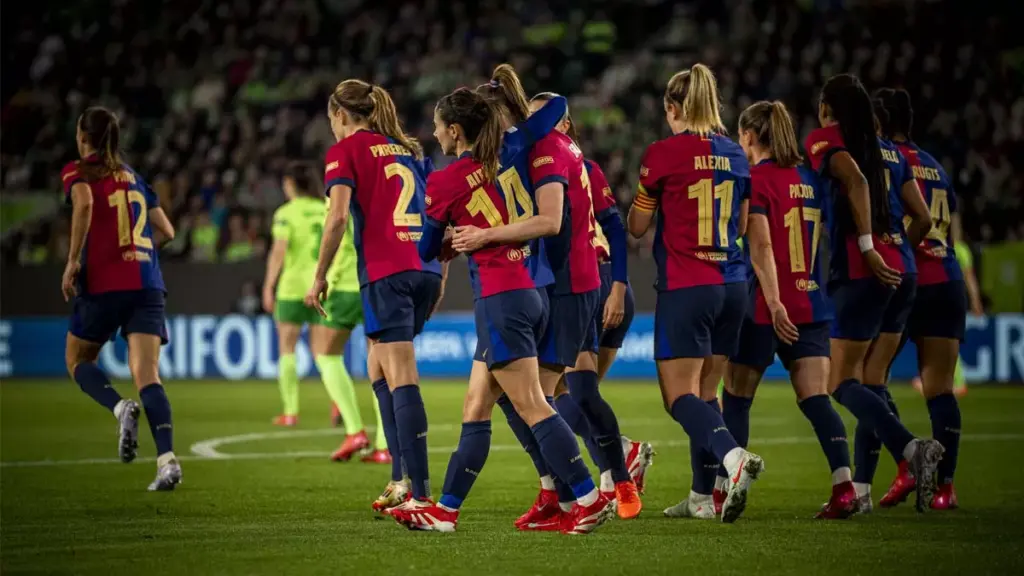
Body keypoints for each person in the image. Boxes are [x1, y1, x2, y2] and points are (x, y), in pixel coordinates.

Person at [389, 87, 614, 534]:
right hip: (529, 286)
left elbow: (429, 247)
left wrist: (450, 231)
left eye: (438, 126)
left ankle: (588, 498)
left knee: (533, 404)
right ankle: (446, 511)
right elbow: (555, 107)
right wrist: (502, 91)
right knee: (476, 406)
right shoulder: (512, 150)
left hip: (500, 296)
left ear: (455, 131)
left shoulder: (446, 179)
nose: (434, 134)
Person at [454, 64, 643, 523]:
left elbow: (580, 223)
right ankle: (577, 485)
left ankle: (596, 485)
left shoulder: (542, 150)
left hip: (572, 285)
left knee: (548, 398)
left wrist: (486, 236)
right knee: (549, 396)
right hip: (549, 285)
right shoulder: (523, 151)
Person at [626, 63, 764, 523]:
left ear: (672, 107)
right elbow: (742, 225)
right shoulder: (736, 154)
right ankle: (702, 497)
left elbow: (638, 226)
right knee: (707, 394)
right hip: (733, 285)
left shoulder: (663, 154)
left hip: (688, 285)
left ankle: (732, 457)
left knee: (678, 397)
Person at [804, 73, 944, 513]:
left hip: (860, 271)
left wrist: (868, 246)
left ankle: (910, 448)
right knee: (873, 380)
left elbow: (858, 182)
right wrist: (893, 245)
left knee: (839, 382)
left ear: (829, 108)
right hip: (902, 270)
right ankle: (863, 490)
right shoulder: (891, 150)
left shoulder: (826, 140)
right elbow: (922, 219)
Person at [306, 80, 446, 513]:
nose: (332, 128)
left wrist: (319, 277)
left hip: (387, 272)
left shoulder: (345, 152)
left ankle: (420, 493)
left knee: (401, 374)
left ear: (342, 115)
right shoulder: (408, 151)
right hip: (424, 268)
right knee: (377, 366)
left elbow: (336, 219)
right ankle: (399, 478)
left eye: (332, 119)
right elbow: (438, 212)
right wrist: (439, 275)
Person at [719, 100, 858, 519]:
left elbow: (760, 245)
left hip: (765, 303)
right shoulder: (810, 178)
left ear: (748, 136)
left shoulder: (756, 178)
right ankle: (845, 487)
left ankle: (727, 489)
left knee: (737, 399)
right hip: (810, 301)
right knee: (816, 399)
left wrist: (775, 303)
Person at [529, 92, 654, 496]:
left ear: (564, 124)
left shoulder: (576, 167)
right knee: (578, 393)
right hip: (597, 288)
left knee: (563, 392)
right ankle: (614, 467)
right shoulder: (551, 166)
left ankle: (612, 463)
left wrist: (617, 285)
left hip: (594, 285)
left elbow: (614, 229)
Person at [60, 106, 180, 491]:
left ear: (83, 137)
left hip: (105, 281)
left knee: (78, 359)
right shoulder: (133, 176)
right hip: (147, 281)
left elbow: (83, 203)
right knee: (148, 373)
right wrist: (139, 256)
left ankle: (118, 406)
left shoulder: (78, 171)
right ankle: (167, 462)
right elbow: (167, 231)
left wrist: (73, 260)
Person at [869, 88, 965, 510]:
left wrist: (897, 254)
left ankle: (904, 462)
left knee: (870, 379)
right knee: (941, 391)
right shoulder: (935, 166)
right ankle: (945, 487)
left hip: (907, 282)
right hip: (947, 281)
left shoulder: (890, 160)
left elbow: (911, 221)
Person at [262, 161, 375, 461]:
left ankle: (291, 411)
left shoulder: (287, 213)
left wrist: (268, 285)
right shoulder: (326, 204)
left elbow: (279, 250)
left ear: (289, 184)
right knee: (329, 352)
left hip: (305, 286)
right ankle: (339, 405)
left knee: (297, 349)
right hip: (351, 281)